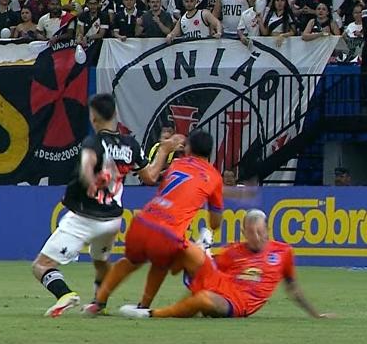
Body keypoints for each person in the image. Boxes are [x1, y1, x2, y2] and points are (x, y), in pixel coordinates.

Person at [31, 93, 183, 317]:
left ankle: (65, 294)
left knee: (41, 266)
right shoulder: (129, 144)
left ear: (93, 118)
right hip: (112, 221)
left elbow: (86, 168)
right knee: (101, 261)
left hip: (84, 217)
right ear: (115, 114)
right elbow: (150, 176)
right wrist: (163, 150)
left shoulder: (93, 143)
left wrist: (89, 177)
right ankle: (99, 304)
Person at [82, 129, 224, 315]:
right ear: (210, 152)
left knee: (129, 262)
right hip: (168, 231)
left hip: (143, 221)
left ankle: (98, 303)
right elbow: (214, 222)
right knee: (164, 264)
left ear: (187, 149)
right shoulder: (214, 177)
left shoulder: (177, 164)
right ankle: (144, 307)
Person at [118, 210, 334, 319]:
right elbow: (210, 271)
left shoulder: (283, 252)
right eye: (251, 232)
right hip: (221, 283)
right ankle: (146, 303)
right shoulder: (234, 251)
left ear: (268, 229)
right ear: (243, 233)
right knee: (183, 249)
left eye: (260, 231)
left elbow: (292, 288)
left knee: (202, 298)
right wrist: (202, 258)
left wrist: (315, 314)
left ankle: (151, 314)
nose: (256, 237)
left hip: (239, 303)